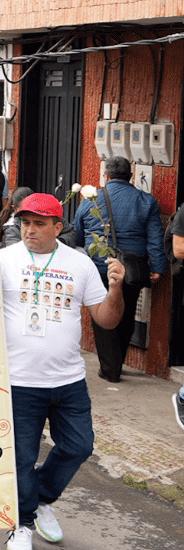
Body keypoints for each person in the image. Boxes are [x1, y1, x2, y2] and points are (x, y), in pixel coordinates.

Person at [0, 192, 124, 550]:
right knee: (21, 457)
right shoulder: (2, 260)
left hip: (68, 380)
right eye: (25, 223)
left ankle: (40, 499)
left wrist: (116, 288)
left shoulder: (80, 264)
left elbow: (106, 319)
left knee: (79, 446)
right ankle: (20, 525)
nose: (30, 230)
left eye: (39, 223)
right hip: (19, 380)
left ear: (58, 226)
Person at [72, 156, 167, 382]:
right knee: (126, 313)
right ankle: (116, 363)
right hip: (132, 269)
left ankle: (110, 369)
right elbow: (155, 238)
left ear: (106, 176)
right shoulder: (146, 200)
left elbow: (77, 232)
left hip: (98, 267)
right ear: (131, 176)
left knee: (102, 315)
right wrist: (158, 266)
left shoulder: (90, 200)